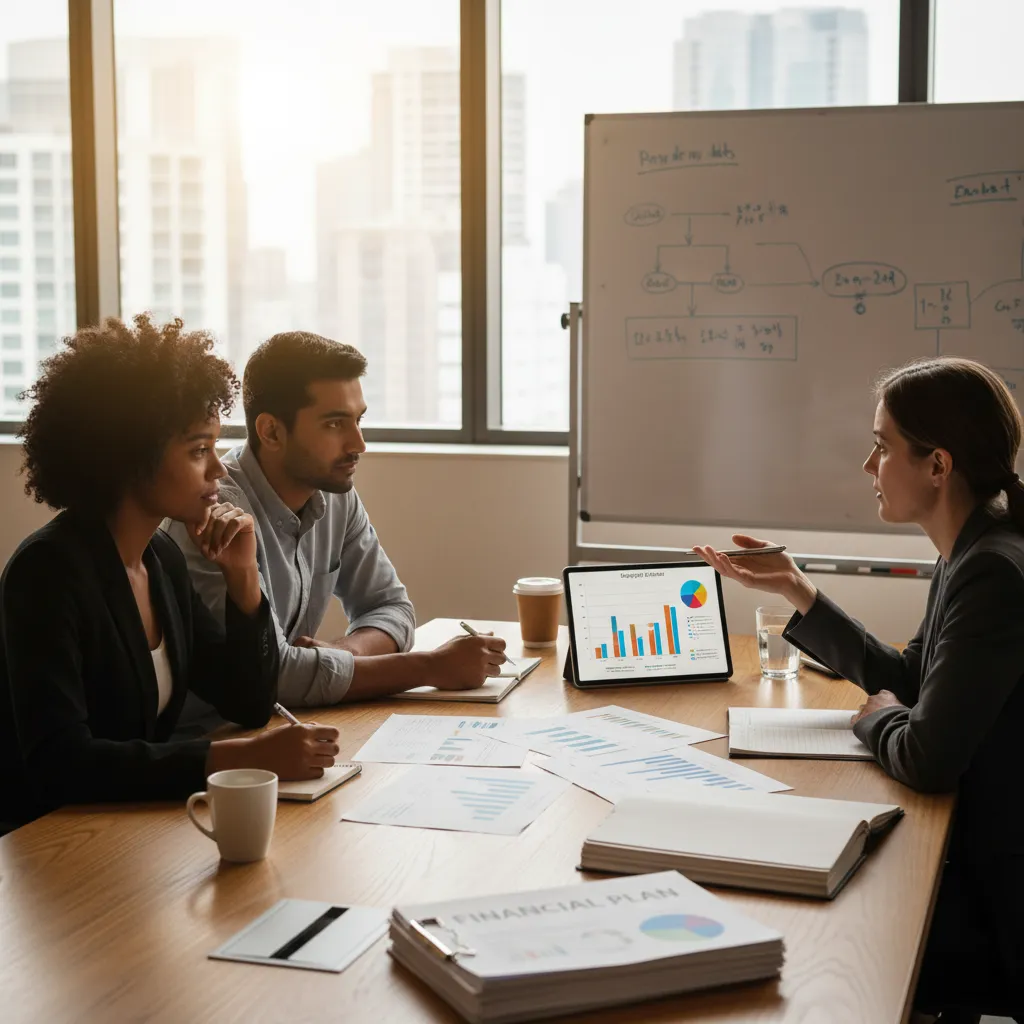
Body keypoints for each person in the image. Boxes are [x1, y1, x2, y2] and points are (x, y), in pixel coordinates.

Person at [695, 357, 1024, 1022]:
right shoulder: (975, 544)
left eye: (882, 447)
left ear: (938, 465)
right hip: (981, 851)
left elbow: (927, 757)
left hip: (996, 897)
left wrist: (876, 721)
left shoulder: (992, 571)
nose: (867, 468)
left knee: (811, 940)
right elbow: (909, 679)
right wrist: (797, 589)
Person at [0, 315, 340, 831]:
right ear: (130, 457)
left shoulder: (160, 560)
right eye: (198, 450)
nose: (218, 470)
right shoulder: (48, 573)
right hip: (51, 845)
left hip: (129, 828)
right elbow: (62, 763)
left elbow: (247, 702)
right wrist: (237, 759)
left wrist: (243, 580)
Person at [164, 331, 505, 731]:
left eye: (358, 420)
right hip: (210, 752)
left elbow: (392, 607)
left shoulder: (334, 493)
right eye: (334, 424)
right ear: (271, 431)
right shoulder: (212, 511)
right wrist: (430, 667)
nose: (358, 443)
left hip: (288, 729)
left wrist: (345, 651)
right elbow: (276, 675)